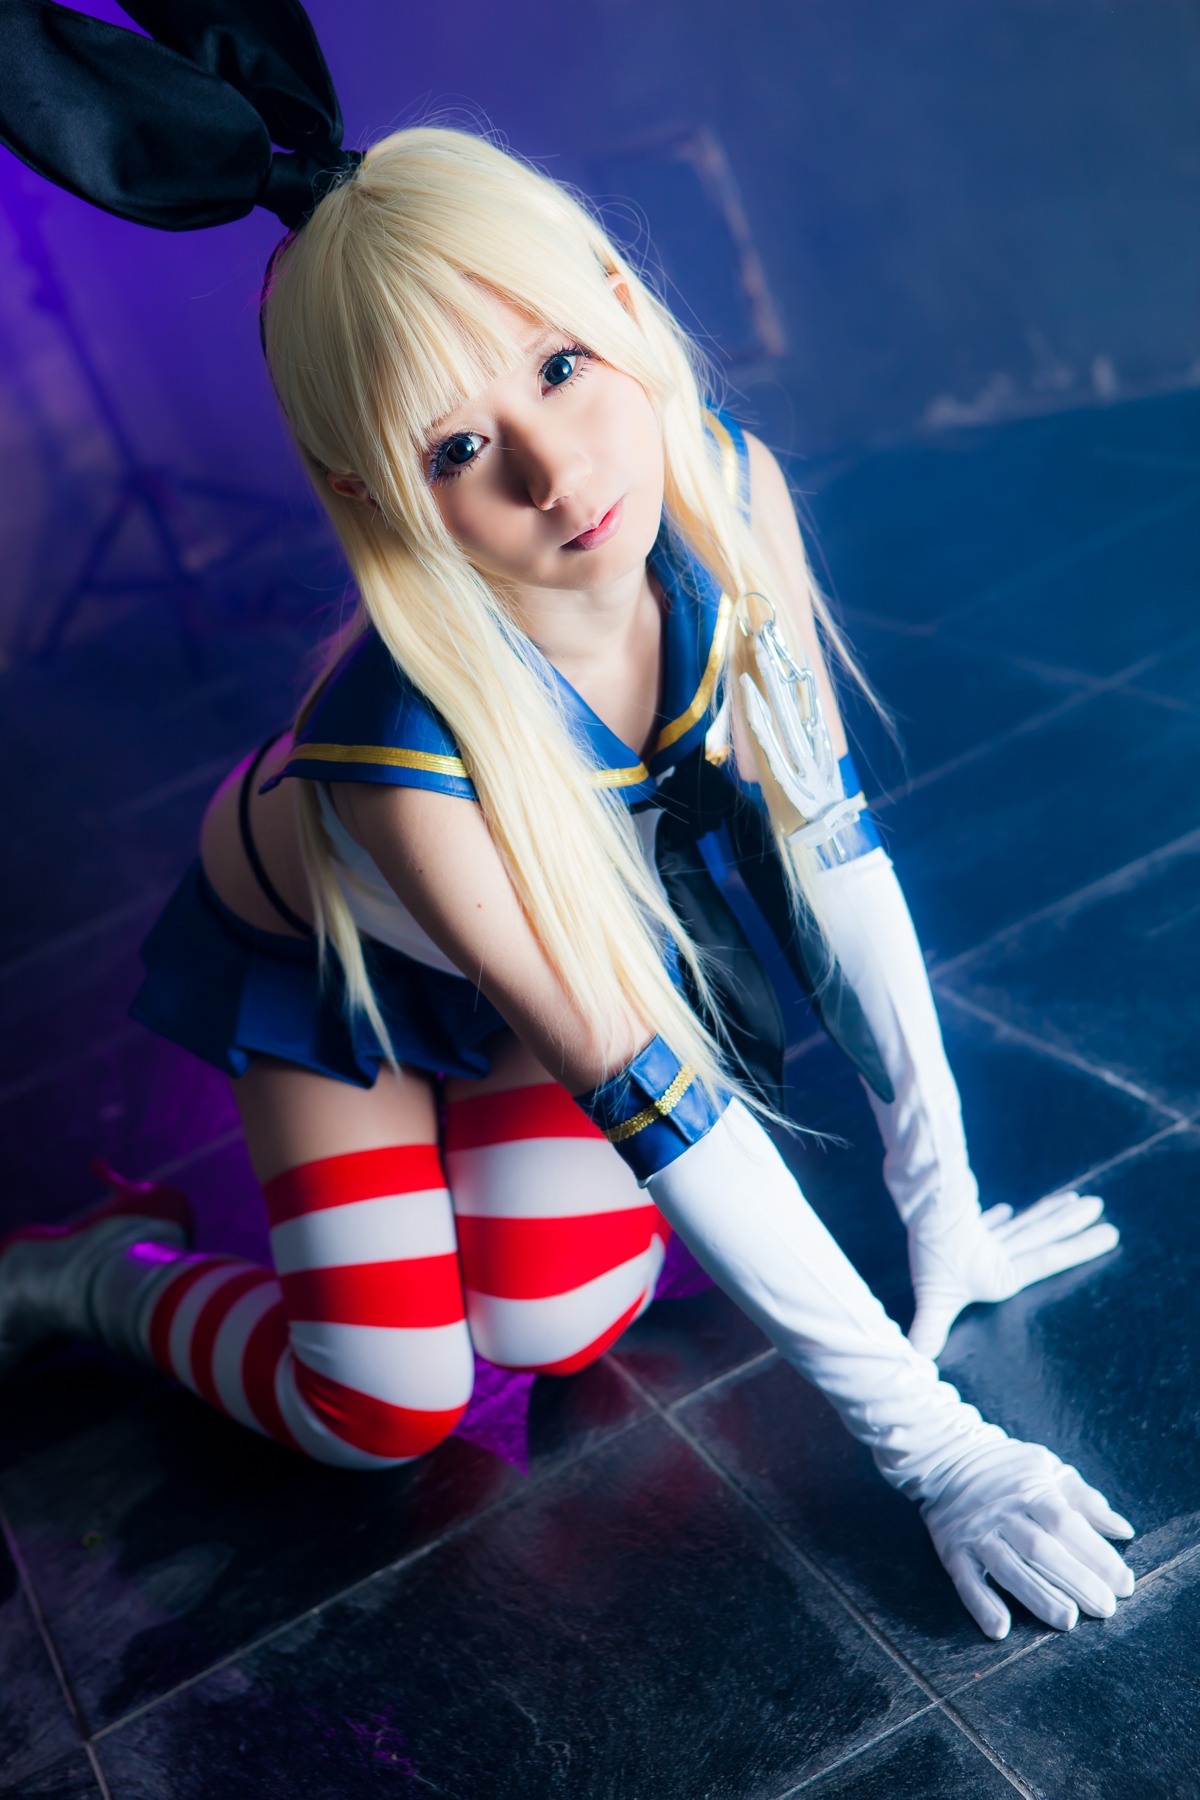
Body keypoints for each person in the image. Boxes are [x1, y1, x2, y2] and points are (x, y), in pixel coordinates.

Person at [0, 3, 1132, 1643]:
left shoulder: (721, 491)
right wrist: (937, 1447)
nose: (553, 470)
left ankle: (427, 1205)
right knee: (384, 1406)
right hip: (337, 973)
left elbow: (831, 860)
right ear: (381, 494)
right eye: (460, 448)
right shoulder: (406, 763)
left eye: (557, 368)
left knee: (556, 1326)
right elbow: (659, 1098)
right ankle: (100, 1269)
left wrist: (940, 1204)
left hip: (549, 929)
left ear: (616, 302)